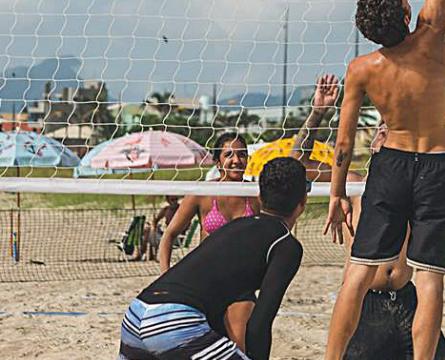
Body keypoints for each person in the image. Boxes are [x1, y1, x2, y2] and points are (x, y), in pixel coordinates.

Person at [324, 0, 445, 360]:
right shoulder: (431, 35)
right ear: (405, 9)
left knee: (356, 275)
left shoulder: (362, 70)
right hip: (437, 164)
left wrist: (337, 195)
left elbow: (342, 144)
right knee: (429, 281)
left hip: (392, 162)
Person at [292, 103, 445, 360]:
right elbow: (298, 161)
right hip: (366, 301)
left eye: (392, 134)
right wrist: (318, 113)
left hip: (406, 299)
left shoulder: (417, 190)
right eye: (381, 132)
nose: (384, 137)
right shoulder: (355, 185)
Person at [118, 157, 308, 360]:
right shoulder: (287, 245)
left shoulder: (235, 227)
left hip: (135, 315)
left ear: (260, 196)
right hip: (173, 323)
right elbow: (260, 323)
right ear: (303, 202)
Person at [158, 131, 257, 272]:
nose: (236, 160)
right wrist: (165, 275)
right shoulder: (202, 193)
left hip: (243, 279)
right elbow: (169, 235)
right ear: (217, 162)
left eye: (242, 154)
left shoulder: (256, 194)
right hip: (206, 276)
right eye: (228, 155)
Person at [132, 196, 185, 261]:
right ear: (168, 200)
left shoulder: (181, 210)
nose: (175, 202)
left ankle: (141, 253)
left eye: (176, 199)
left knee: (147, 232)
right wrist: (155, 226)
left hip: (175, 238)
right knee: (148, 229)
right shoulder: (166, 210)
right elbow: (155, 221)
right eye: (172, 200)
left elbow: (187, 225)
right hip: (167, 235)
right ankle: (148, 254)